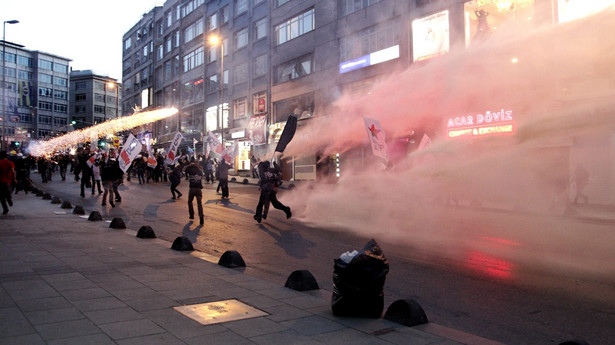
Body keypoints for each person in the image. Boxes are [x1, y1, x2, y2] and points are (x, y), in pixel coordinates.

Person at [0, 151, 17, 215]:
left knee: (1, 197)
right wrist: (14, 179)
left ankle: (5, 209)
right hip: (8, 181)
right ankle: (9, 198)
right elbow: (13, 171)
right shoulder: (10, 163)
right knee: (8, 192)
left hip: (0, 182)